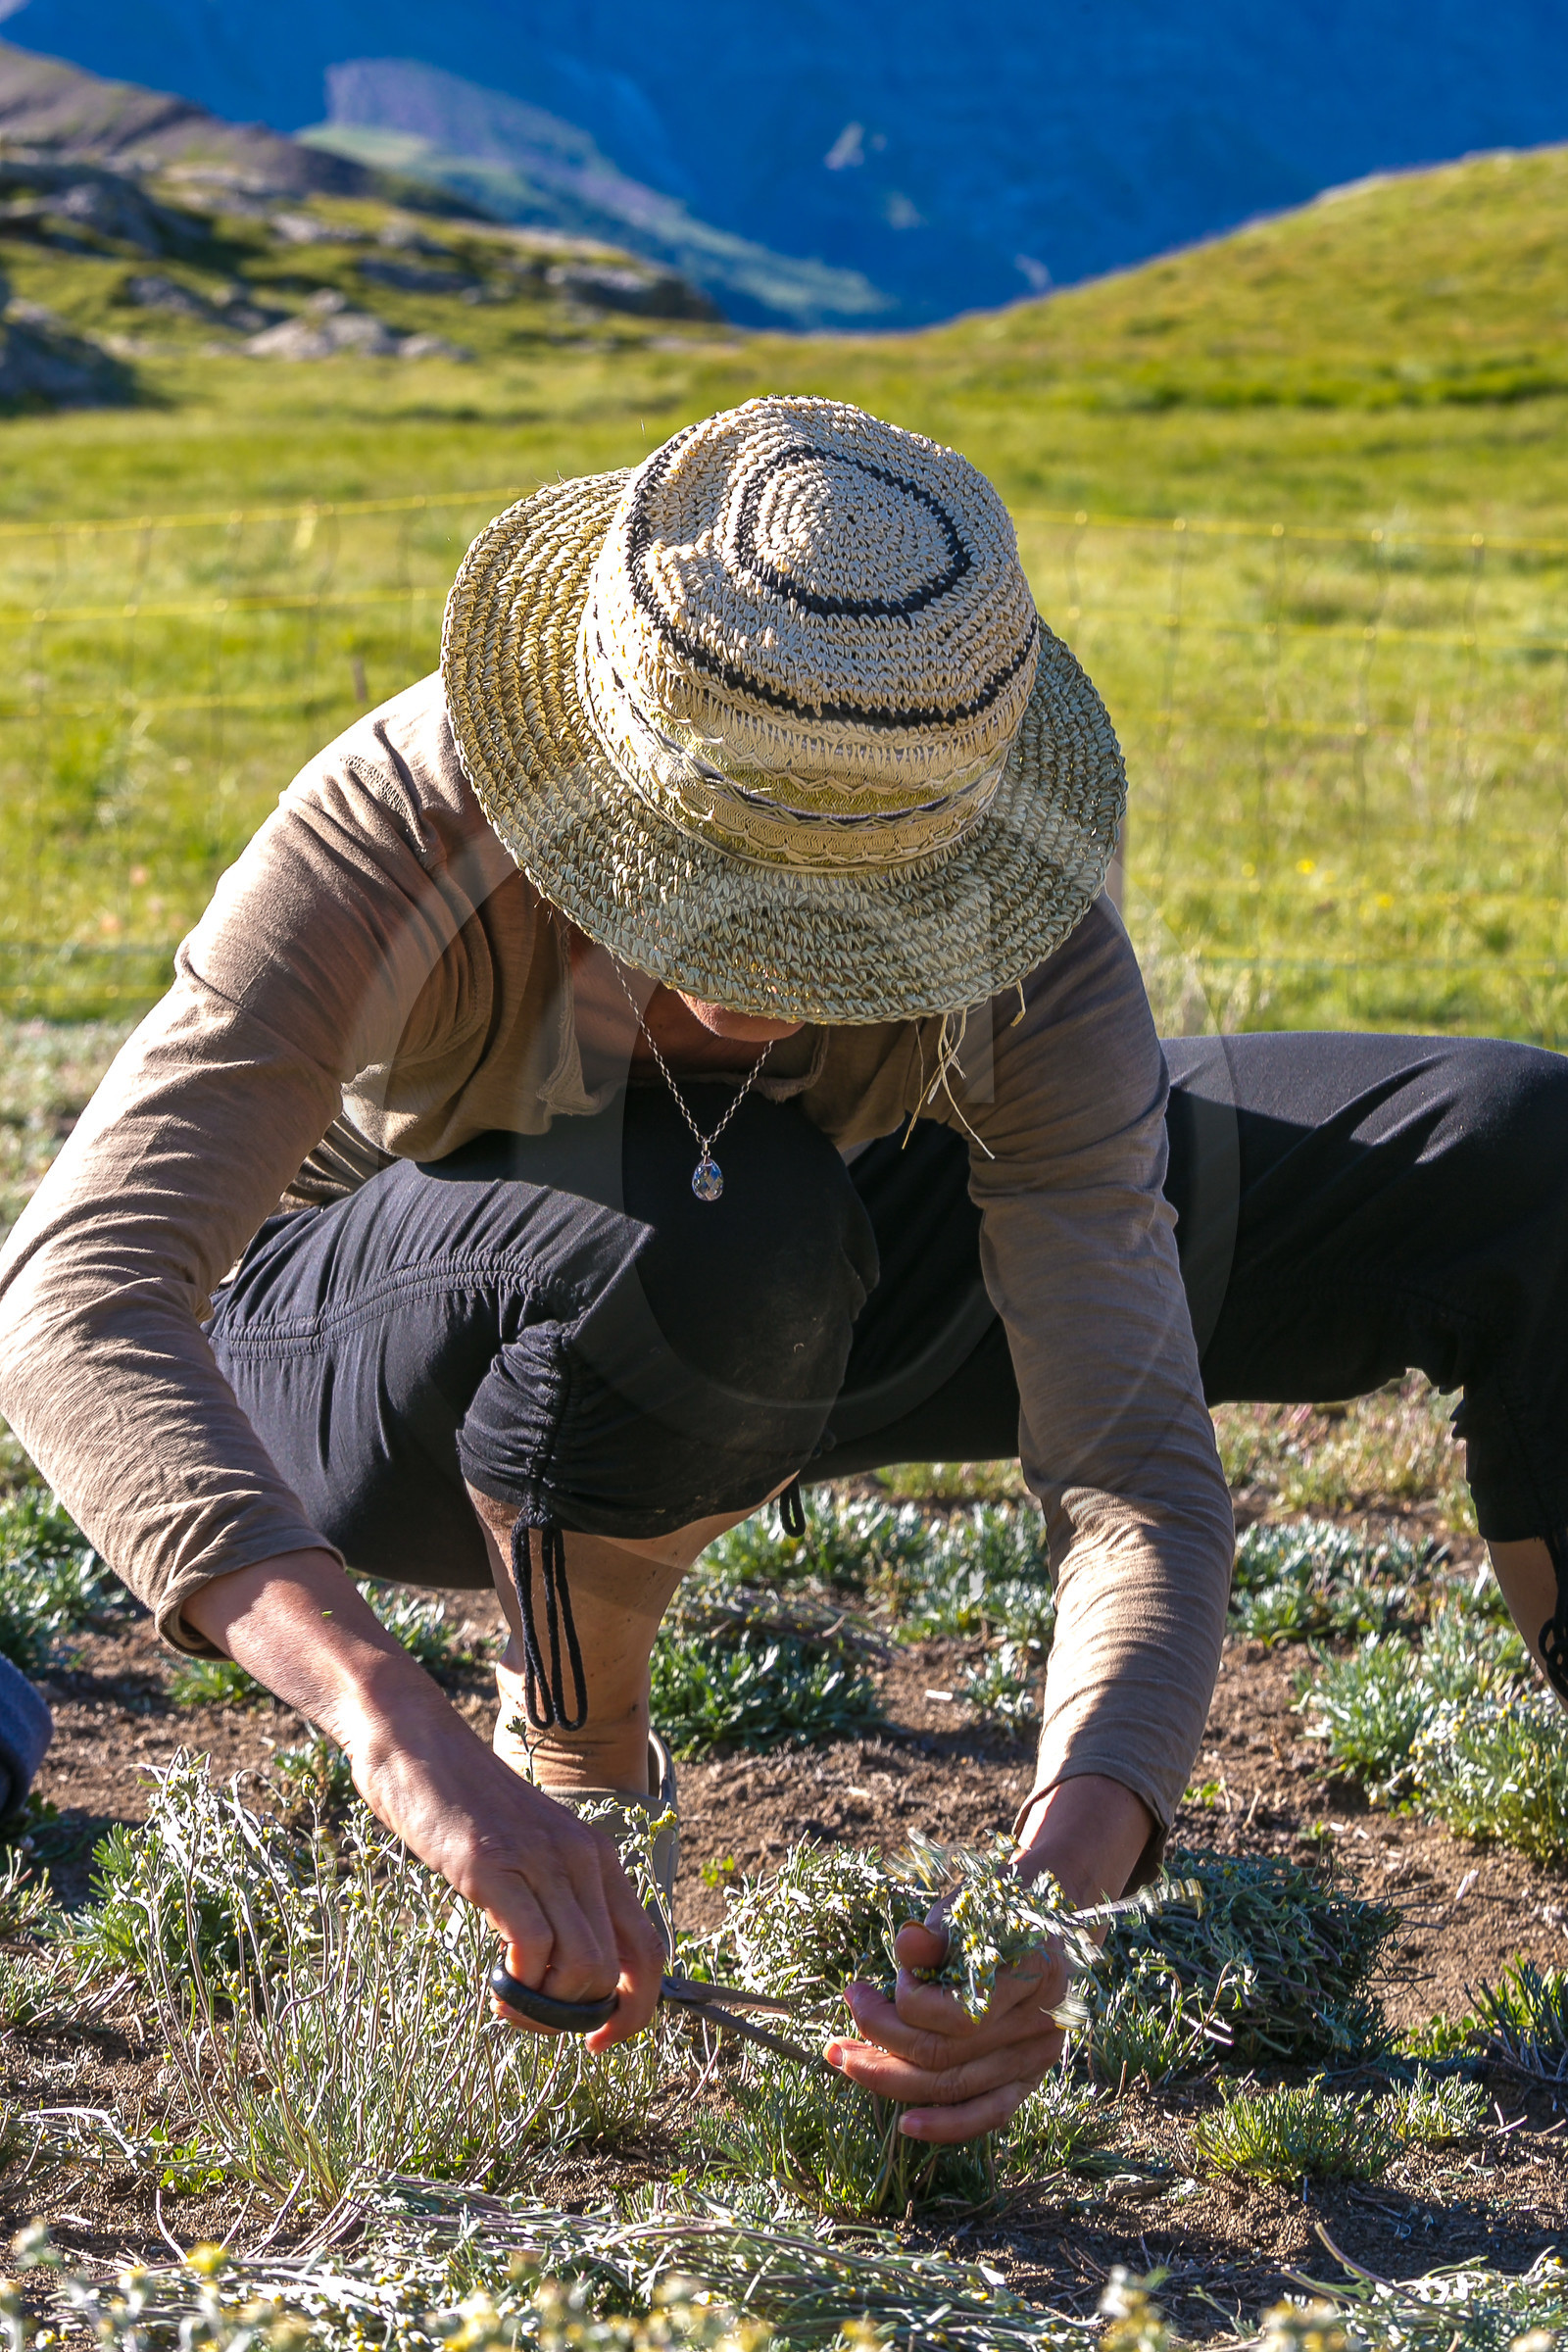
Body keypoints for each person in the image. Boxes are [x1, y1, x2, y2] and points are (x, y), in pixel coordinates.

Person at [0, 396, 1562, 2148]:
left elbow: (1135, 1475)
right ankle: (577, 1768)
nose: (765, 966)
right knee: (722, 1234)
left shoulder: (1012, 911)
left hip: (808, 1265)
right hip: (354, 1348)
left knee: (1520, 1155)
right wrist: (398, 1740)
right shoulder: (408, 820)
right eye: (711, 877)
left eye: (838, 905)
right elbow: (79, 1295)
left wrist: (1055, 1901)